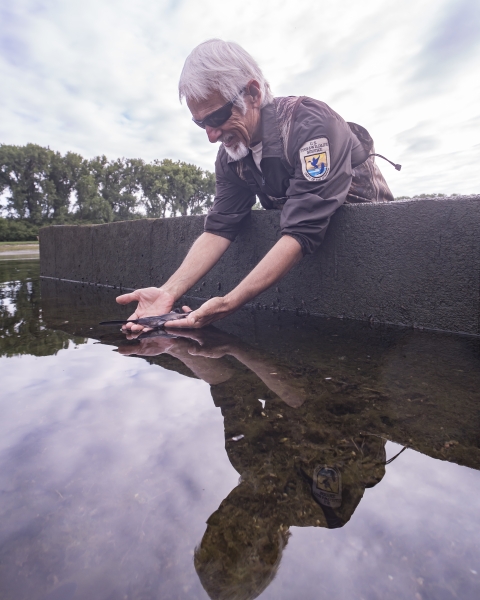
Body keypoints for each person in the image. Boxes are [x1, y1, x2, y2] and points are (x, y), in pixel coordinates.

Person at [117, 39, 396, 332]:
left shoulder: (312, 125)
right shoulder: (230, 157)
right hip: (309, 257)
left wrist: (229, 302)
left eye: (217, 117)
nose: (211, 136)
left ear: (253, 93)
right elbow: (220, 227)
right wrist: (168, 292)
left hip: (373, 257)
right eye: (201, 124)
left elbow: (302, 229)